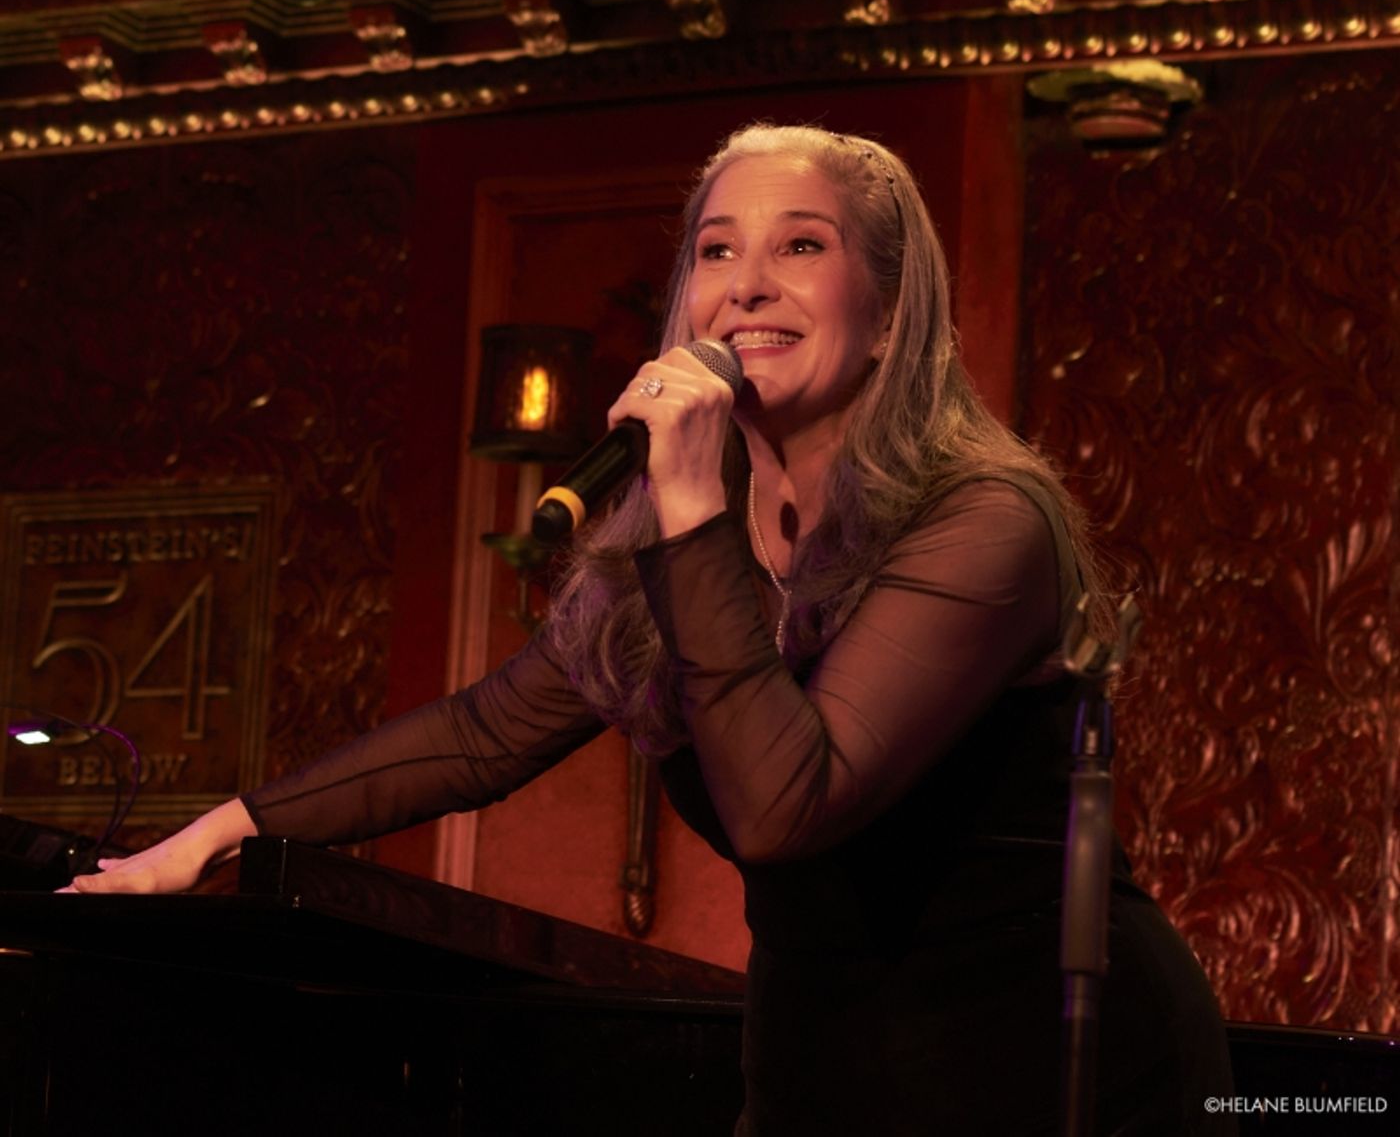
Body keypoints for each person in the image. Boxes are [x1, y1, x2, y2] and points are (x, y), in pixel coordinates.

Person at [65, 123, 1236, 1135]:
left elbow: (785, 807)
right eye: (716, 251)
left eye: (800, 246)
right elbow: (482, 734)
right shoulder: (672, 544)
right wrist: (217, 832)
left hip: (1048, 1063)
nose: (747, 284)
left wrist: (685, 506)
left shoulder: (983, 519)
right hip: (825, 1063)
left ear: (886, 315)